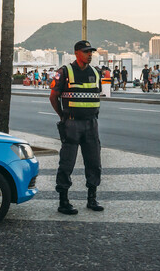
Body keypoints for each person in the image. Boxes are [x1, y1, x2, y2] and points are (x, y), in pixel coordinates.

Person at [49, 40, 104, 215]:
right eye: (86, 52)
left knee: (94, 162)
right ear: (76, 53)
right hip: (72, 123)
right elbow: (53, 96)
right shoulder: (64, 72)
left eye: (91, 52)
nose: (90, 55)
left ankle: (92, 198)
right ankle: (63, 201)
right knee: (67, 163)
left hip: (91, 123)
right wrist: (63, 116)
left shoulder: (96, 73)